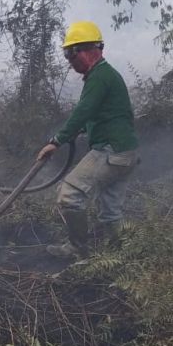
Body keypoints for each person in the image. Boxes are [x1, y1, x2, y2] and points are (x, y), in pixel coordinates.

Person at [36, 20, 139, 259]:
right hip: (126, 153)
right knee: (111, 212)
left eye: (72, 55)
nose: (70, 62)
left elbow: (84, 110)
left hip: (111, 152)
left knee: (69, 193)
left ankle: (77, 249)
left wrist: (57, 140)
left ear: (89, 50)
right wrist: (82, 129)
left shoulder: (100, 77)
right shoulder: (104, 75)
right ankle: (121, 258)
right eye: (68, 56)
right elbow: (96, 113)